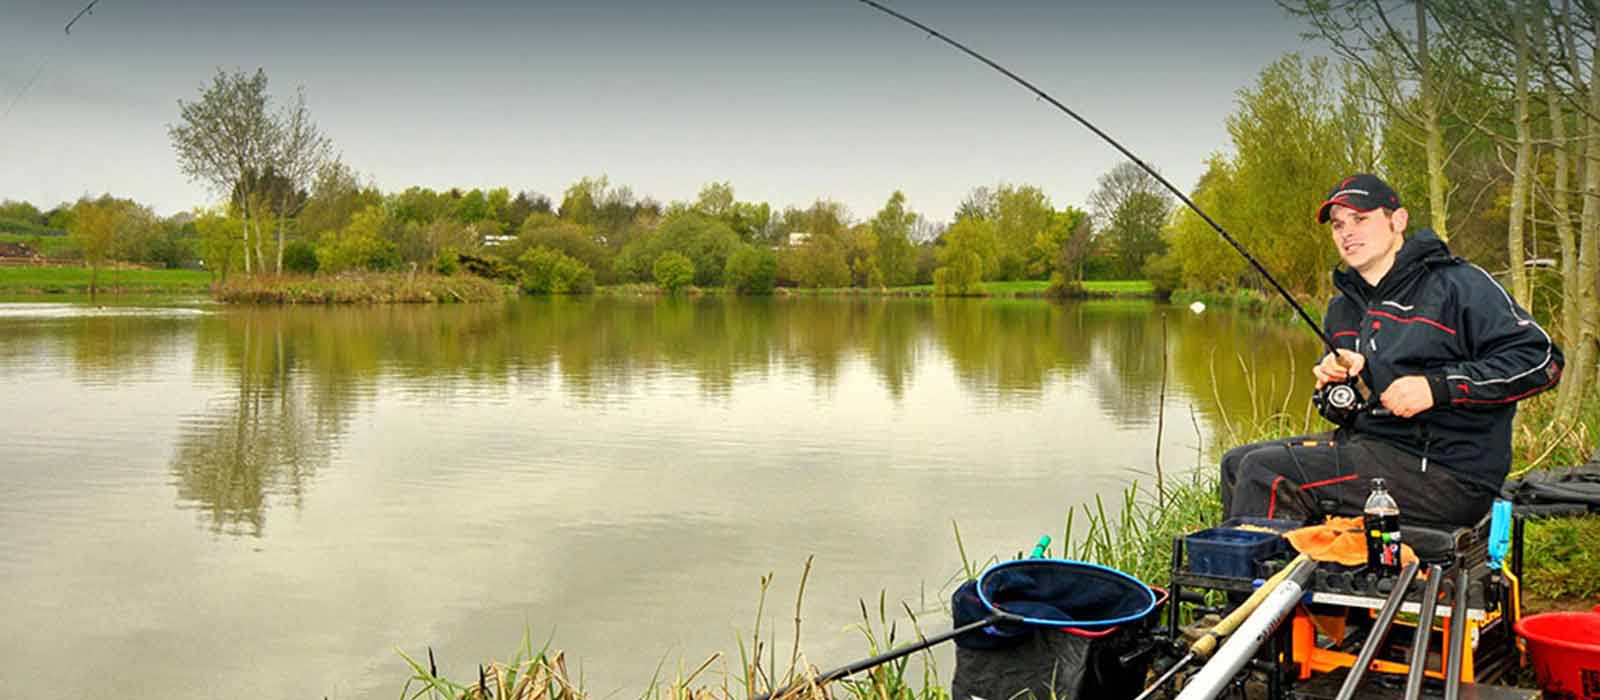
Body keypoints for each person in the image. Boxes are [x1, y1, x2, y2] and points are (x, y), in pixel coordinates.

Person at [1220, 174, 1564, 528]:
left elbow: (1541, 361)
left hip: (1451, 472)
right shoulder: (1343, 309)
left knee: (1265, 471)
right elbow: (1340, 412)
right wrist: (1335, 387)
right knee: (1236, 463)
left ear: (1397, 221)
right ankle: (1254, 570)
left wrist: (1437, 387)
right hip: (1370, 449)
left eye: (1360, 219)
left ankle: (1266, 583)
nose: (1346, 233)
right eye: (1338, 225)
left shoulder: (1458, 284)